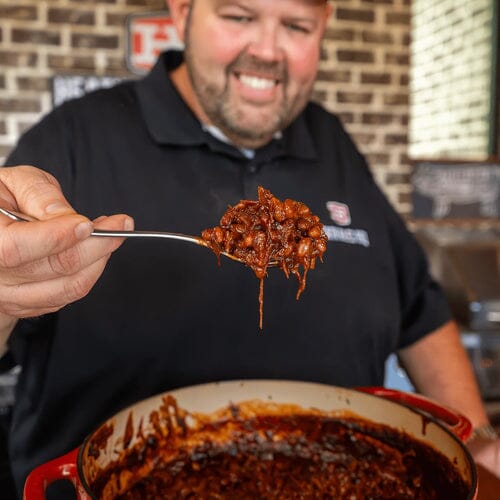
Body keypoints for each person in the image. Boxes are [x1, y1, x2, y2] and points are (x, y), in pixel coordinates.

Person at [0, 0, 498, 496]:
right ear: (182, 14)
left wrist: (474, 449)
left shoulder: (331, 139)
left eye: (297, 26)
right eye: (238, 17)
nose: (266, 50)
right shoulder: (75, 138)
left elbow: (422, 312)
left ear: (324, 26)